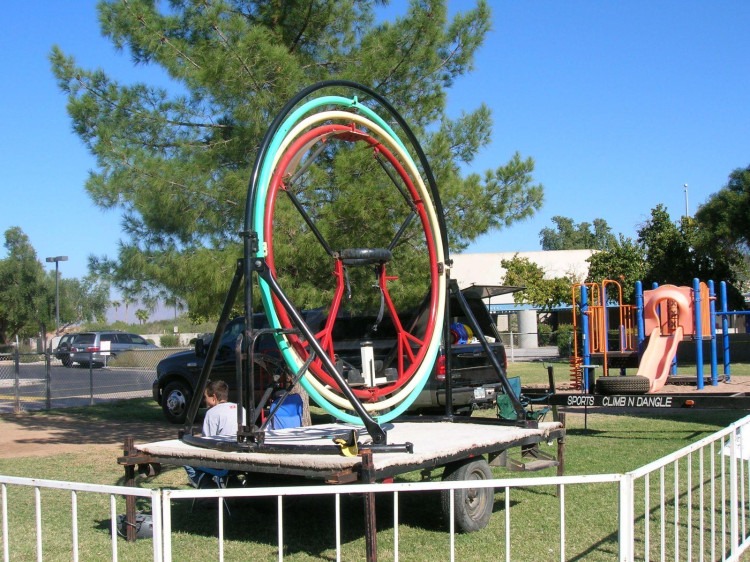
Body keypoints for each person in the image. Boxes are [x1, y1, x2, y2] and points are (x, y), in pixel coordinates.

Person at [184, 380, 244, 488]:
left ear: (214, 397)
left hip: (222, 461)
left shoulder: (212, 413)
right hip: (240, 457)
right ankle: (228, 482)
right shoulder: (241, 409)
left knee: (184, 459)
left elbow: (207, 442)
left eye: (205, 397)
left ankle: (204, 484)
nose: (205, 401)